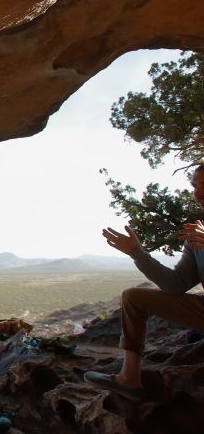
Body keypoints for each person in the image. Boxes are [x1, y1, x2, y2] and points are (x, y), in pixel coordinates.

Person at [84, 165, 204, 400]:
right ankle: (129, 379)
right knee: (134, 297)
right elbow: (175, 284)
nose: (198, 193)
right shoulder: (196, 236)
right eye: (195, 186)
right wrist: (137, 253)